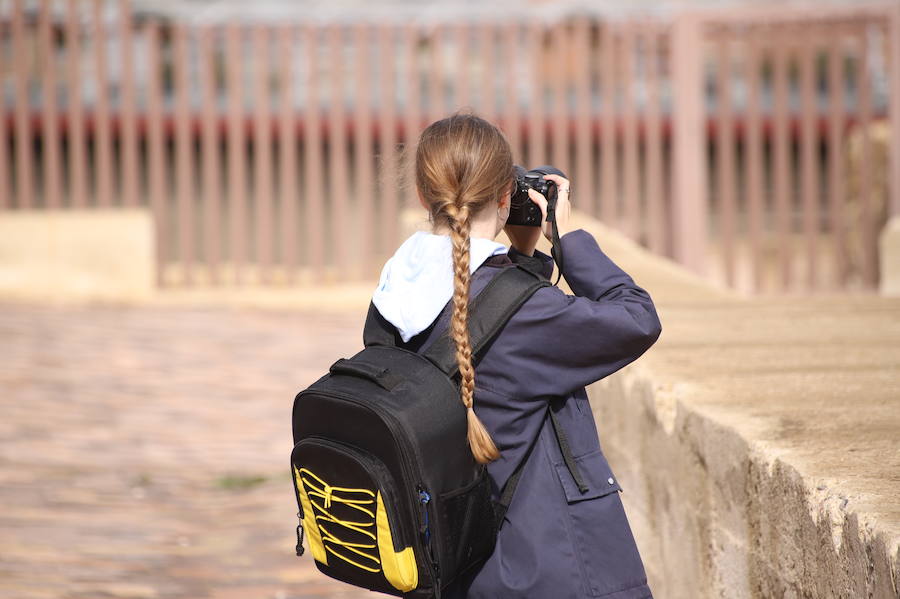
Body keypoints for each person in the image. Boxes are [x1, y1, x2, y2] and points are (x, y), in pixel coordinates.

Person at [371, 113, 661, 599]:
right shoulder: (526, 314)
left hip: (449, 561)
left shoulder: (391, 298)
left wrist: (522, 262)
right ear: (507, 197)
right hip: (546, 565)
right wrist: (566, 239)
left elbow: (489, 332)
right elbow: (636, 318)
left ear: (424, 197)